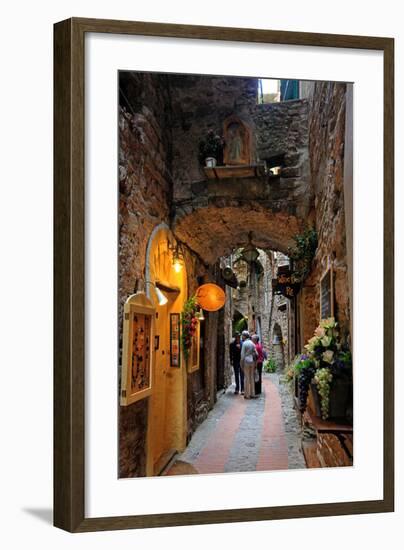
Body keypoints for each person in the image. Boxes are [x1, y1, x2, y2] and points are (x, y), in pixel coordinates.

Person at [240, 330, 257, 399]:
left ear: (244, 336)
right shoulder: (252, 343)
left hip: (246, 361)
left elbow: (242, 355)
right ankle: (252, 393)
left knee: (246, 377)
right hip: (252, 361)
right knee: (251, 377)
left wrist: (241, 363)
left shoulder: (244, 344)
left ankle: (247, 394)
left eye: (242, 336)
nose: (242, 337)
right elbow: (256, 354)